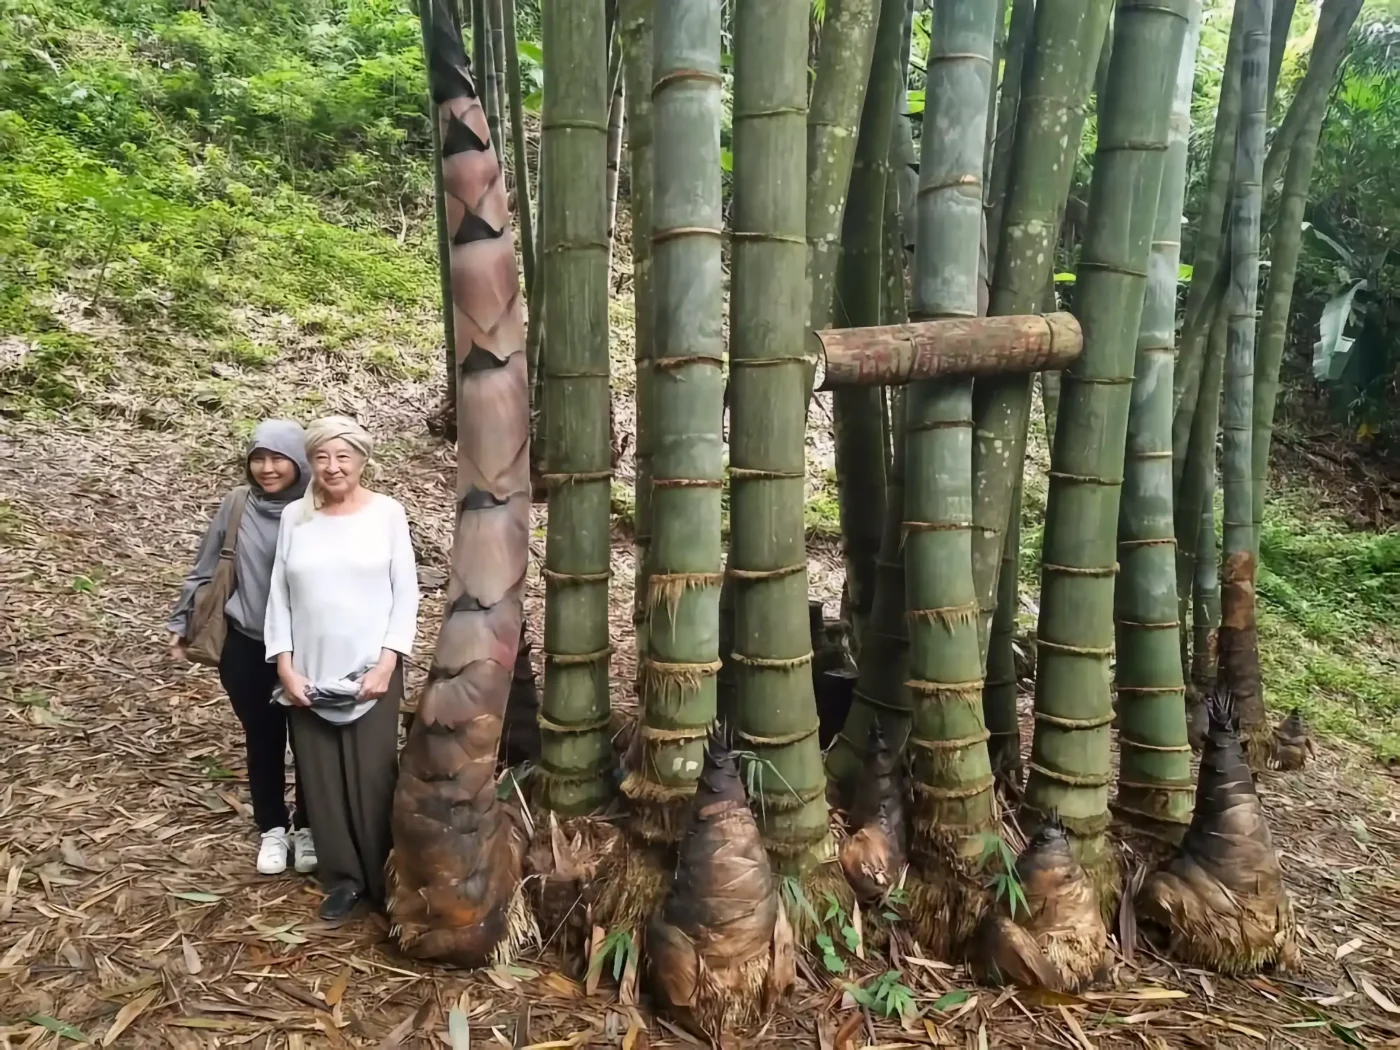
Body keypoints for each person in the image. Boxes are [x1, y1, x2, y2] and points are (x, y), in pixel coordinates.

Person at [265, 415, 418, 922]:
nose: (333, 467)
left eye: (343, 456)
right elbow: (279, 598)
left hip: (371, 668)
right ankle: (344, 879)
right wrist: (285, 666)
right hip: (308, 668)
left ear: (361, 460)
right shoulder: (295, 518)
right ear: (310, 464)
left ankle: (384, 879)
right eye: (322, 458)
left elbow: (406, 594)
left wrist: (387, 661)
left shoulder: (387, 513)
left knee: (373, 773)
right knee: (322, 777)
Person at [168, 420, 318, 878]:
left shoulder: (321, 507)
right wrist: (182, 622)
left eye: (278, 458)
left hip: (310, 645)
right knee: (263, 735)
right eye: (259, 458)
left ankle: (309, 827)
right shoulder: (238, 504)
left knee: (312, 739)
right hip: (248, 642)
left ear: (299, 462)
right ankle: (272, 826)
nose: (267, 468)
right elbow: (206, 565)